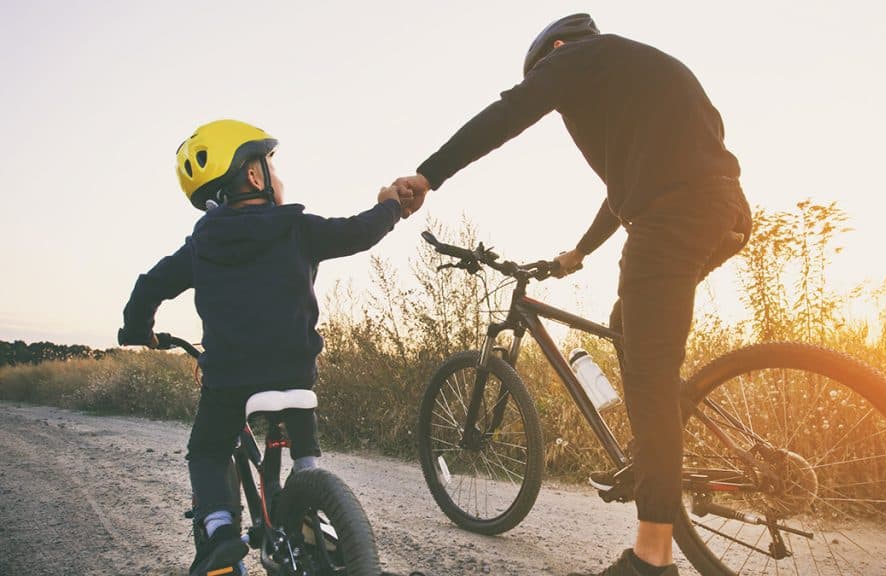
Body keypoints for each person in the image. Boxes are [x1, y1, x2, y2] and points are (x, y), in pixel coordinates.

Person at [394, 14, 752, 576]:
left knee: (649, 371)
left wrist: (428, 175)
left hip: (674, 217)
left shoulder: (578, 57)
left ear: (555, 52)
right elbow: (621, 192)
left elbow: (509, 112)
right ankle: (660, 442)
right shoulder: (637, 73)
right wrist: (577, 254)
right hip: (724, 209)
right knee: (627, 325)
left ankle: (652, 556)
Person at [117, 119, 410, 576]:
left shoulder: (203, 242)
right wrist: (390, 206)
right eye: (271, 163)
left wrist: (138, 329)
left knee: (209, 450)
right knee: (301, 433)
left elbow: (150, 285)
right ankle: (312, 493)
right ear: (254, 176)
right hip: (296, 373)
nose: (276, 173)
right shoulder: (298, 228)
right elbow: (359, 232)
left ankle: (218, 532)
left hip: (230, 380)